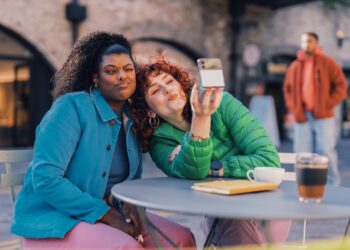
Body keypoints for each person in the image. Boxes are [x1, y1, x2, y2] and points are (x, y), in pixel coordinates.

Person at [10, 32, 195, 249]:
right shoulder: (70, 109)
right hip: (54, 221)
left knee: (181, 238)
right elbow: (46, 179)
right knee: (125, 246)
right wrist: (106, 214)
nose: (122, 76)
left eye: (128, 69)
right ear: (95, 79)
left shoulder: (133, 118)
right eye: (111, 71)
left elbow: (127, 184)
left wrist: (126, 206)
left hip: (106, 215)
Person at [132, 58, 291, 247]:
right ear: (149, 111)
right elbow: (194, 171)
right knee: (231, 215)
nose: (167, 90)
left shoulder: (223, 103)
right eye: (155, 90)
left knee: (233, 216)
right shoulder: (159, 142)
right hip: (220, 211)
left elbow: (268, 160)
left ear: (181, 86)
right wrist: (202, 117)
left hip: (265, 206)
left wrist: (214, 169)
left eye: (169, 82)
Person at [283, 32, 348, 186]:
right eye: (303, 41)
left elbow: (341, 86)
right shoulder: (295, 66)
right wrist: (294, 109)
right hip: (302, 116)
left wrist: (327, 105)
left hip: (323, 117)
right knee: (301, 154)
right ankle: (301, 185)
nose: (306, 44)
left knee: (325, 153)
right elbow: (288, 90)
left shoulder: (328, 63)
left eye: (309, 41)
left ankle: (333, 185)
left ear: (316, 43)